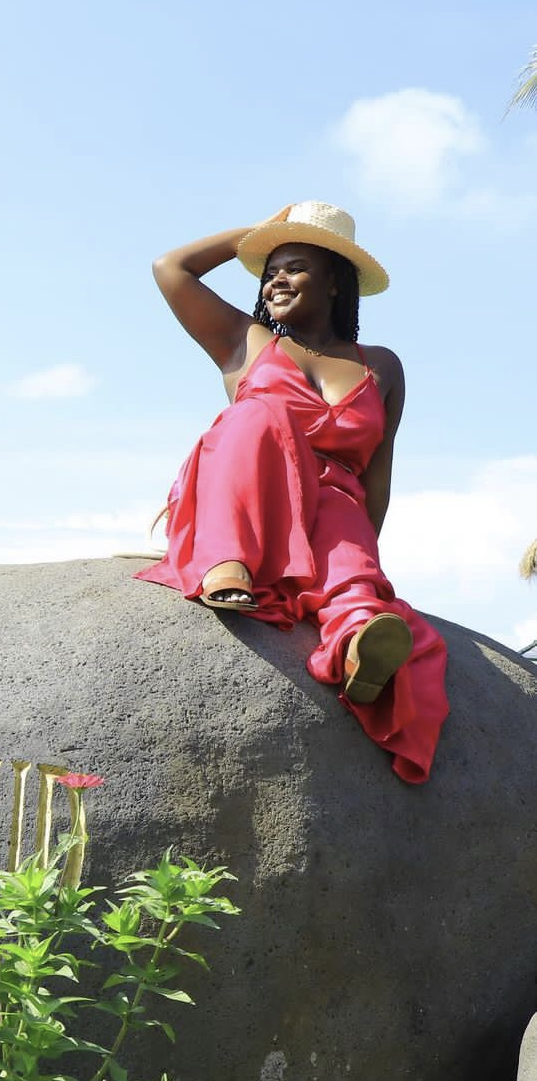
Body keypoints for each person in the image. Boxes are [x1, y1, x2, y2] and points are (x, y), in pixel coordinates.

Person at [138, 201, 448, 783]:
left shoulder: (382, 366)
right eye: (269, 270)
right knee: (257, 416)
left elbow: (377, 474)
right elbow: (171, 268)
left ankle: (358, 647)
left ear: (335, 281)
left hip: (332, 504)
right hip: (251, 488)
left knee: (352, 564)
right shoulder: (247, 342)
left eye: (295, 266)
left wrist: (364, 558)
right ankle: (225, 563)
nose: (275, 279)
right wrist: (260, 233)